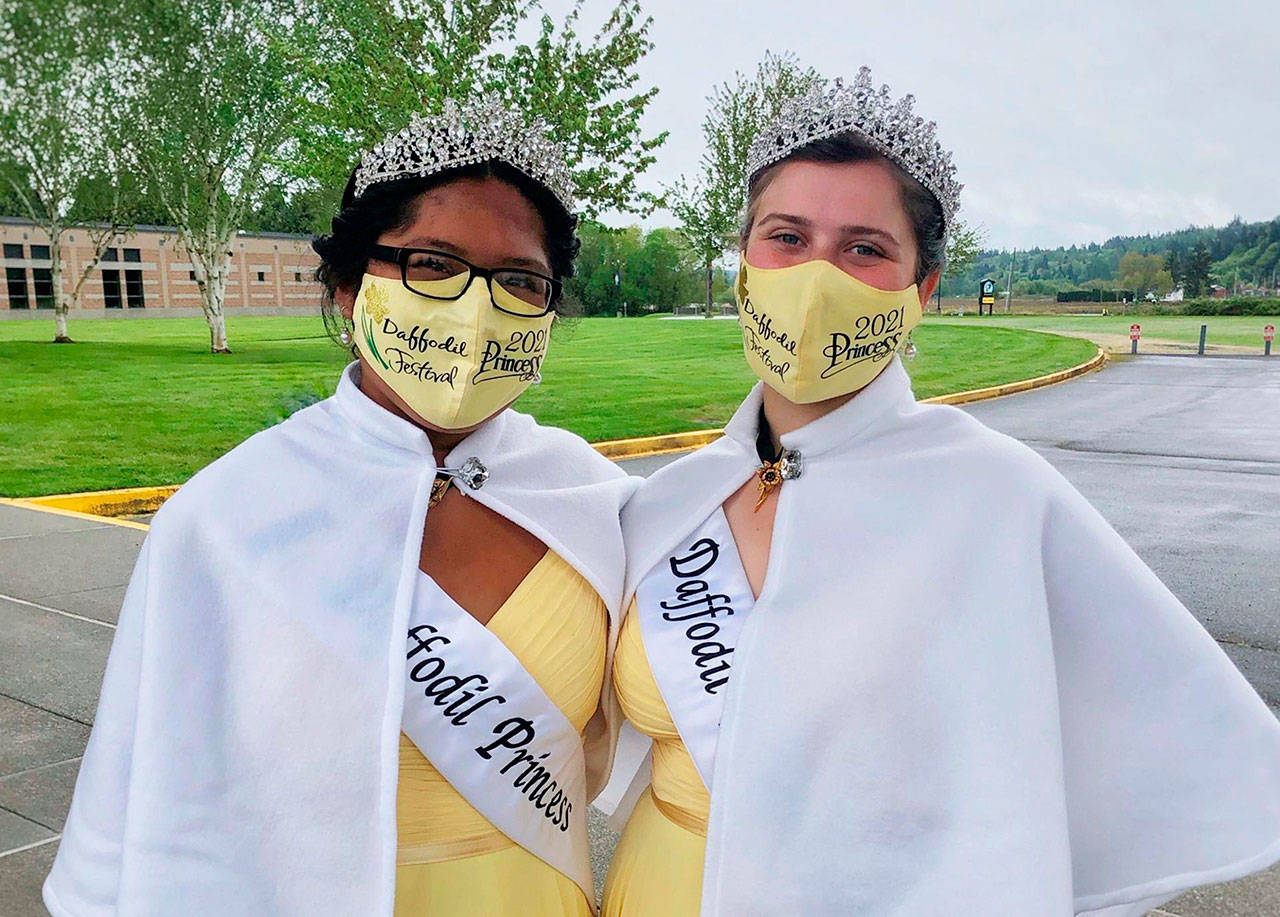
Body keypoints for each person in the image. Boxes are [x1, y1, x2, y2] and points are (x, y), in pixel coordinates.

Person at [601, 67, 1280, 916]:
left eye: (864, 248)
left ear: (922, 289)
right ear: (743, 262)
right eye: (785, 237)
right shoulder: (679, 494)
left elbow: (1172, 741)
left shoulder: (998, 496)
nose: (816, 276)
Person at [44, 94, 636, 916]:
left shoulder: (593, 497)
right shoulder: (224, 519)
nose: (476, 307)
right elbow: (154, 790)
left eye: (518, 279)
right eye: (431, 262)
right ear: (352, 285)